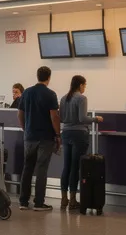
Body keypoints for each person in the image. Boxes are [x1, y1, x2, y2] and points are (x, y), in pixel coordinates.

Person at [17, 66, 60, 212]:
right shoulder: (50, 94)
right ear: (49, 77)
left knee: (27, 168)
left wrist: (25, 129)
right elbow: (54, 117)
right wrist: (58, 134)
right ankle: (39, 203)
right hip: (45, 137)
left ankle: (23, 201)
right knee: (41, 169)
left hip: (29, 137)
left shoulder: (27, 92)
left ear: (37, 76)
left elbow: (20, 114)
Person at [58, 75, 101, 211]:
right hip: (79, 134)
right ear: (81, 85)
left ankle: (63, 199)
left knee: (67, 166)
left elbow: (61, 118)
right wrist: (95, 119)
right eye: (85, 85)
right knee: (75, 167)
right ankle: (73, 200)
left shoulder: (64, 98)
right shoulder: (82, 98)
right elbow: (82, 118)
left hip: (66, 133)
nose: (85, 88)